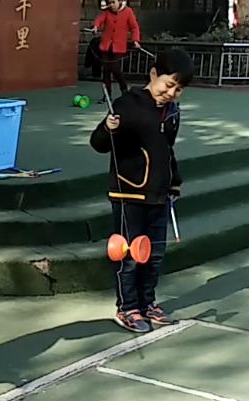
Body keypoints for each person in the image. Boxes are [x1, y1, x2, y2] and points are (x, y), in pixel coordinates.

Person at [89, 49, 195, 333]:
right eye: (168, 84)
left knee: (154, 255)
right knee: (129, 255)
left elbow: (167, 150)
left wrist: (174, 181)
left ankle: (147, 303)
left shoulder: (172, 112)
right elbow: (98, 143)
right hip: (130, 193)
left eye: (178, 89)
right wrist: (107, 128)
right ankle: (127, 308)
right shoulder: (127, 104)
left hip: (159, 194)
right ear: (153, 74)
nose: (171, 93)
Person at [90, 0, 141, 102]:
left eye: (113, 2)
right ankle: (107, 95)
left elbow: (134, 27)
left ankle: (124, 89)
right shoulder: (107, 11)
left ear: (120, 1)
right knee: (106, 71)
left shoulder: (128, 11)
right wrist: (95, 26)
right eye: (110, 2)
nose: (111, 5)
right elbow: (100, 19)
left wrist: (135, 40)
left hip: (118, 46)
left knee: (115, 68)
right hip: (106, 45)